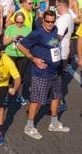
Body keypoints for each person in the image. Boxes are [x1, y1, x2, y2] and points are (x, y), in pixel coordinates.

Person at [17, 11, 70, 140]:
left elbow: (54, 43)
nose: (50, 24)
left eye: (53, 21)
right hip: (41, 73)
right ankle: (29, 126)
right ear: (43, 21)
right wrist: (33, 59)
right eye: (48, 21)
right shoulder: (37, 33)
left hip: (55, 71)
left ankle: (54, 122)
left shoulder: (55, 29)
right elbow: (21, 45)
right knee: (37, 100)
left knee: (56, 97)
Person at [2, 12, 31, 107]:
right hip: (10, 55)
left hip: (22, 56)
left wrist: (23, 40)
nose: (19, 24)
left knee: (20, 76)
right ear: (15, 21)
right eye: (18, 22)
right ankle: (6, 95)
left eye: (21, 22)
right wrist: (12, 38)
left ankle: (19, 94)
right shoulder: (10, 28)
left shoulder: (28, 30)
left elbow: (31, 44)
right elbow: (4, 42)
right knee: (9, 77)